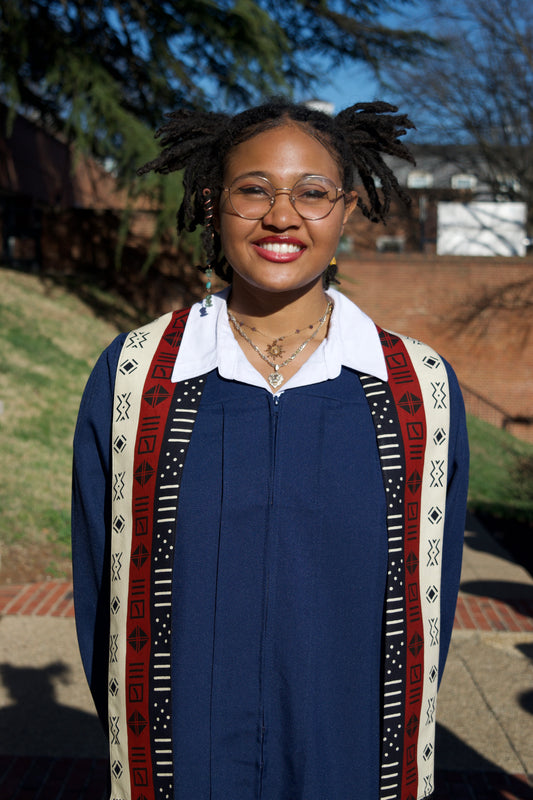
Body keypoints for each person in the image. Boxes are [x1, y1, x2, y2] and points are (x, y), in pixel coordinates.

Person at [72, 99, 469, 800]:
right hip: (183, 761)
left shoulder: (418, 389)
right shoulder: (136, 375)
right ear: (210, 202)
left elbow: (423, 608)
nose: (281, 216)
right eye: (253, 188)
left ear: (347, 210)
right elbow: (101, 583)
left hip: (347, 759)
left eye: (312, 193)